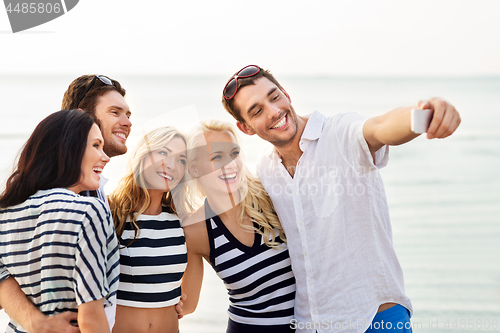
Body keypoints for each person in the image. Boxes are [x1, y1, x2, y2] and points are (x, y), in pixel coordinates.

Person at [221, 65, 461, 333]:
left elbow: (380, 127)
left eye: (274, 97)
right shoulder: (266, 168)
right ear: (245, 128)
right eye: (257, 110)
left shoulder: (339, 132)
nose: (274, 111)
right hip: (309, 325)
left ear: (286, 94)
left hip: (373, 320)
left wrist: (425, 116)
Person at [0, 74, 132, 332]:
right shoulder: (76, 203)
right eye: (115, 112)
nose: (127, 122)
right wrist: (38, 323)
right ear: (82, 118)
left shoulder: (96, 189)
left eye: (128, 114)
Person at [181, 120, 296, 333]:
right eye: (217, 157)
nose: (231, 165)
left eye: (234, 154)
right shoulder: (195, 231)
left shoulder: (270, 195)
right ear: (195, 168)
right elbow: (186, 305)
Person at [108, 127, 190, 333]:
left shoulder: (183, 221)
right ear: (143, 156)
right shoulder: (109, 212)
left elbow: (189, 300)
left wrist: (183, 301)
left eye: (181, 160)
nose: (171, 165)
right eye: (163, 152)